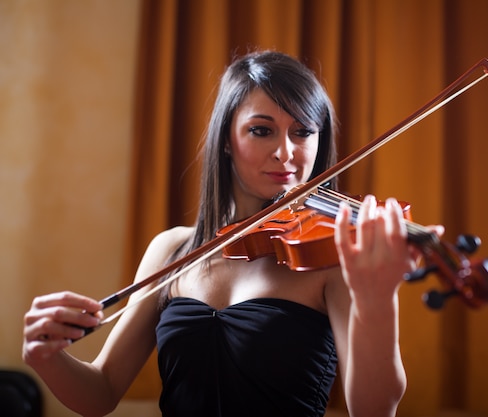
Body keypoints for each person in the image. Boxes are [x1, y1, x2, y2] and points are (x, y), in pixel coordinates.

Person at [22, 50, 424, 417]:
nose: (286, 152)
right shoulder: (173, 249)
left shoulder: (333, 257)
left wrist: (378, 300)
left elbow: (373, 410)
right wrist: (46, 357)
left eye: (302, 132)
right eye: (262, 131)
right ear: (227, 141)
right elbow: (101, 391)